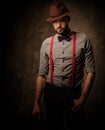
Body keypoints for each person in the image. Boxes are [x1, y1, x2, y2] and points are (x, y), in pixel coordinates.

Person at [32, 2, 96, 130]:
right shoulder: (46, 43)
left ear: (68, 19)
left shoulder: (83, 40)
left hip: (72, 95)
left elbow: (91, 71)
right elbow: (41, 75)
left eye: (62, 20)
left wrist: (82, 99)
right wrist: (36, 103)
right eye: (55, 22)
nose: (59, 25)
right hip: (50, 94)